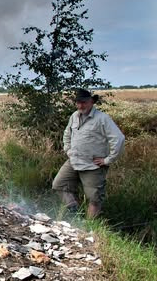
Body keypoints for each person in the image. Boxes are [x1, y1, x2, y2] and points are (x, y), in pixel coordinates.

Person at [52, 89, 125, 218]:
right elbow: (67, 134)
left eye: (84, 102)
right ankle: (76, 214)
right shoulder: (74, 116)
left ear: (91, 102)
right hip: (74, 160)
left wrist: (107, 160)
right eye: (78, 103)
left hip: (93, 165)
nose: (81, 106)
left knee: (94, 199)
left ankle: (89, 229)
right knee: (59, 184)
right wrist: (68, 150)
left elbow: (118, 138)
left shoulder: (102, 118)